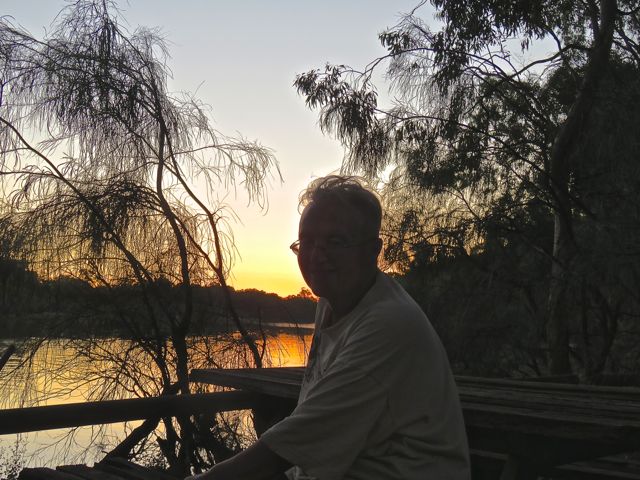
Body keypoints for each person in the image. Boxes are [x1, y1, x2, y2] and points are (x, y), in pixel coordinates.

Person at [186, 175, 470, 480]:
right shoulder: (331, 303)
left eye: (335, 242)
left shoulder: (388, 323)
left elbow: (300, 438)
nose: (316, 256)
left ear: (373, 250)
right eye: (307, 242)